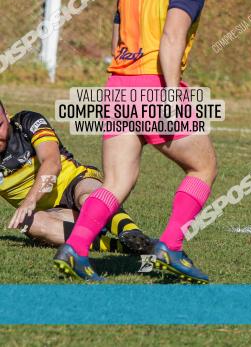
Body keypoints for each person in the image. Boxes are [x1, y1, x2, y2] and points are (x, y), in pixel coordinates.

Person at [53, 0, 218, 283]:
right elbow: (171, 40)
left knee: (117, 179)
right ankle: (171, 246)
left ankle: (76, 248)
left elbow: (116, 47)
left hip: (117, 87)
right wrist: (172, 94)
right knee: (203, 166)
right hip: (153, 86)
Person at [0, 101, 151, 254]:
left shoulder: (27, 121)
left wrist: (30, 200)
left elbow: (52, 164)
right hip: (55, 214)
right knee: (29, 224)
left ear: (6, 114)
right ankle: (121, 246)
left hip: (76, 182)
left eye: (0, 125)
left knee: (87, 198)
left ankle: (133, 233)